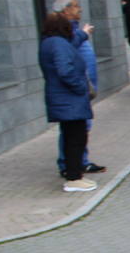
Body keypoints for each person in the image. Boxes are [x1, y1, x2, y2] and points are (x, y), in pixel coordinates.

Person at [40, 12, 96, 193]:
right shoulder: (58, 44)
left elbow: (70, 45)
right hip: (69, 98)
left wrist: (84, 33)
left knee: (71, 136)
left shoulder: (50, 42)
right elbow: (65, 71)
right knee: (76, 138)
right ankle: (74, 178)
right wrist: (81, 87)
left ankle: (74, 175)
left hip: (63, 99)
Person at [50, 0, 103, 178]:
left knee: (79, 130)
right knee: (73, 131)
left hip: (77, 91)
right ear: (66, 9)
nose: (79, 9)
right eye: (76, 6)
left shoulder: (68, 30)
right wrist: (83, 34)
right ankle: (71, 168)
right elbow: (65, 64)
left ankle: (78, 163)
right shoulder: (62, 34)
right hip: (72, 93)